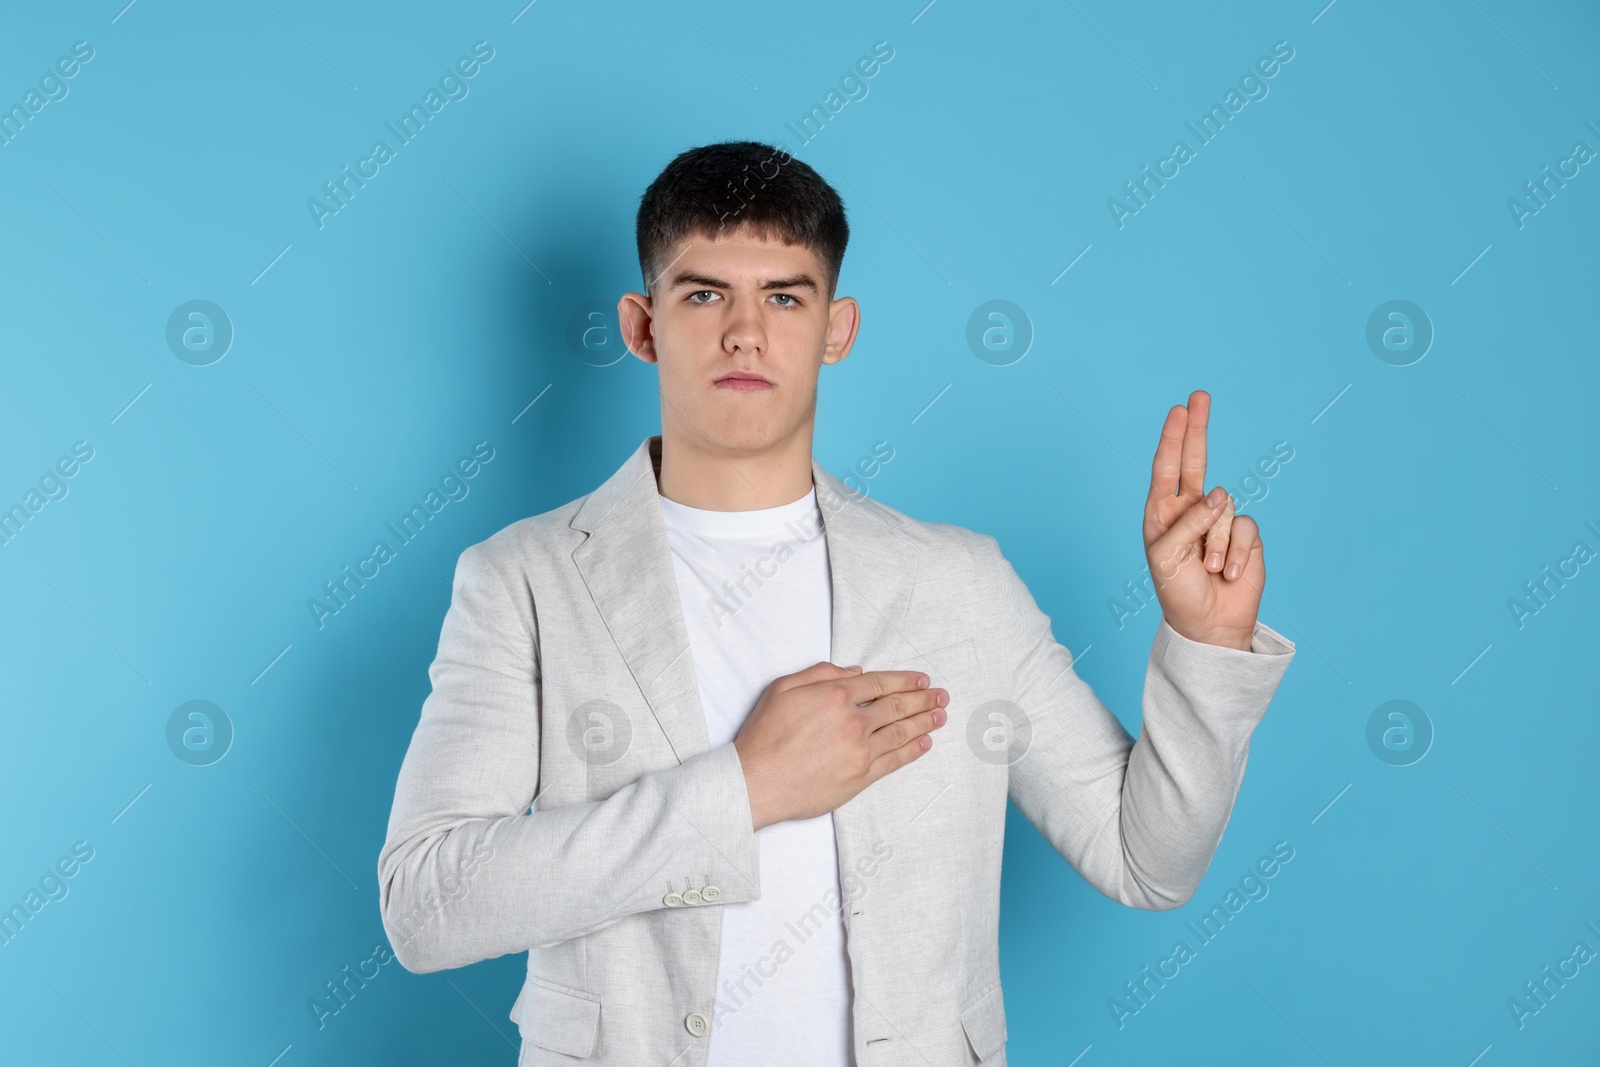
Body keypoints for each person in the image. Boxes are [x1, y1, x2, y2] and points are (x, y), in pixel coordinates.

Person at [378, 140, 1296, 1067]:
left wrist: (1203, 643)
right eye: (704, 294)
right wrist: (741, 790)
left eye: (784, 296)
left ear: (837, 328)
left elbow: (1148, 862)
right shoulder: (524, 580)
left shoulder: (959, 583)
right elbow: (425, 904)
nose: (745, 333)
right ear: (643, 323)